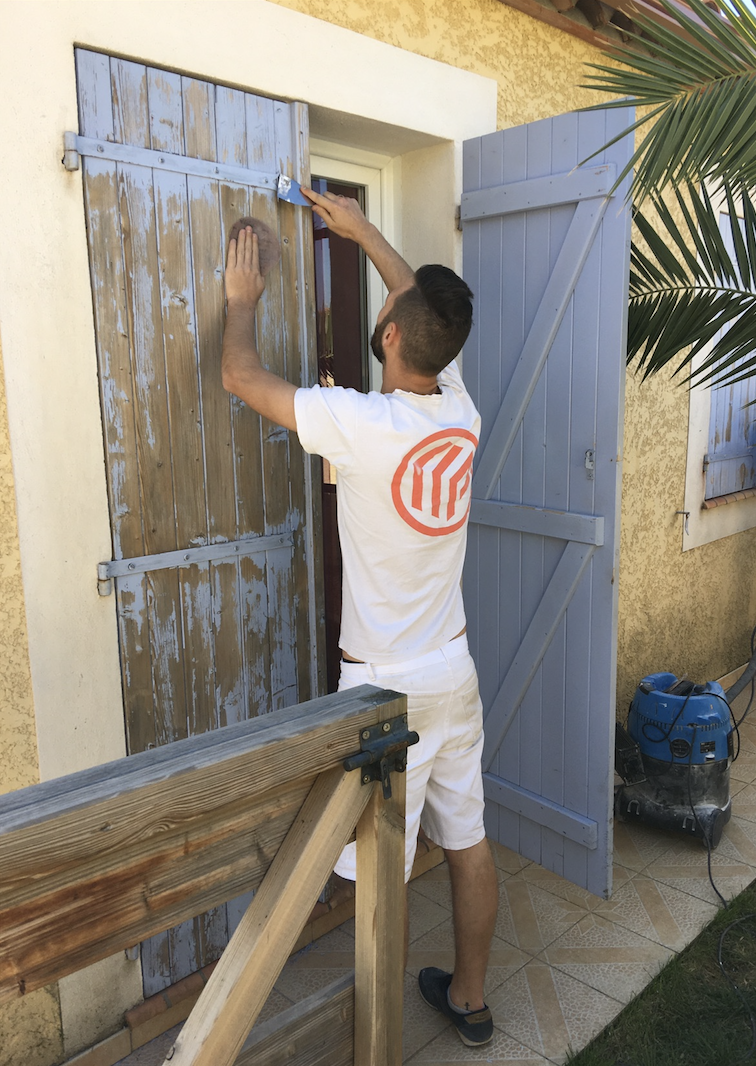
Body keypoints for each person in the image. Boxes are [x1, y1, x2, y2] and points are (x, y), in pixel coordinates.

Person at [221, 189, 499, 1047]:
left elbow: (240, 377)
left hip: (385, 691)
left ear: (391, 336)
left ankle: (378, 1046)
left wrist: (242, 300)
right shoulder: (460, 409)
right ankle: (471, 1000)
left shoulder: (363, 424)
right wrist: (364, 229)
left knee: (383, 869)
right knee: (469, 841)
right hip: (452, 669)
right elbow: (417, 304)